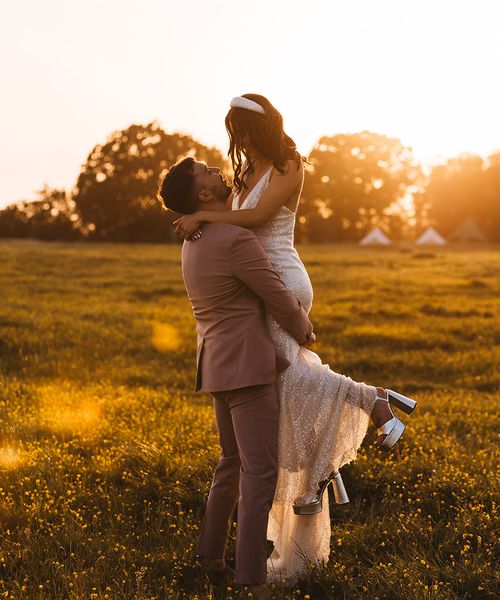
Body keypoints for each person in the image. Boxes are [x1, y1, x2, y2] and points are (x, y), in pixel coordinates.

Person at [171, 94, 417, 584]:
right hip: (253, 280)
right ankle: (330, 457)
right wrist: (208, 218)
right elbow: (237, 217)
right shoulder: (242, 174)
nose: (234, 142)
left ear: (258, 128)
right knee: (285, 381)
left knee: (282, 379)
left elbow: (260, 220)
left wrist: (204, 218)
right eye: (231, 132)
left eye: (240, 130)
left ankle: (366, 407)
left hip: (279, 277)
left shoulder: (288, 165)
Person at [157, 156, 316, 598]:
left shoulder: (194, 239)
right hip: (248, 368)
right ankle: (251, 580)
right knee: (259, 473)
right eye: (208, 172)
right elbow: (273, 291)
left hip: (214, 365)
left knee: (229, 462)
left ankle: (210, 556)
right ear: (203, 195)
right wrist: (303, 328)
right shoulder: (234, 238)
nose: (217, 171)